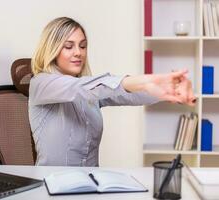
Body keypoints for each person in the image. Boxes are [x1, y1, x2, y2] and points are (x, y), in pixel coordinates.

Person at [28, 17, 195, 167]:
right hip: (52, 186)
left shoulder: (91, 90)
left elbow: (122, 92)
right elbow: (83, 88)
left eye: (83, 46)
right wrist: (148, 80)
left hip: (90, 185)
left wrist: (164, 90)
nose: (78, 52)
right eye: (68, 46)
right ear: (52, 49)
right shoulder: (41, 83)